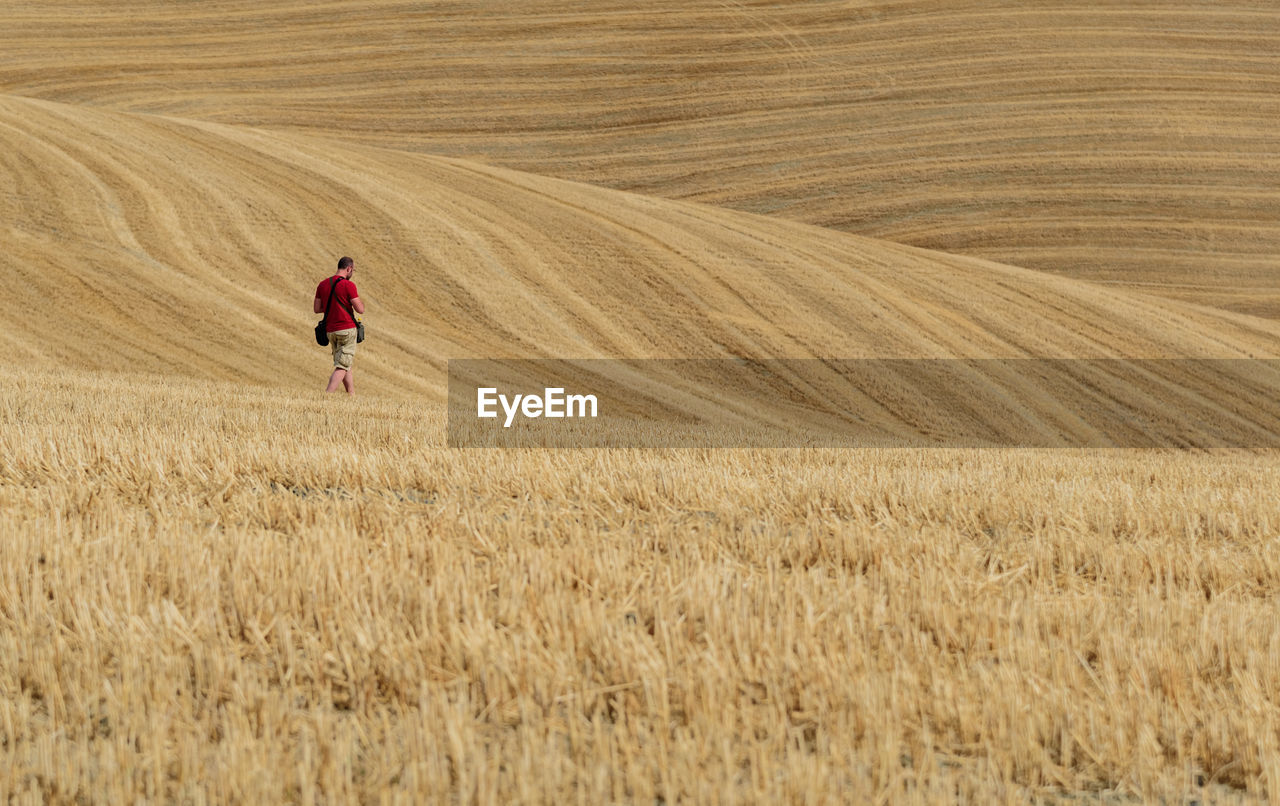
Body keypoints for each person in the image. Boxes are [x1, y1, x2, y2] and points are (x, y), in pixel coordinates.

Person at [314, 256, 365, 394]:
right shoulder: (349, 285)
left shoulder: (323, 284)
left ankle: (352, 396)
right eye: (353, 270)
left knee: (345, 363)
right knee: (342, 365)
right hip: (347, 329)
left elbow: (317, 309)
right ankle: (327, 395)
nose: (352, 273)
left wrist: (334, 306)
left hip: (330, 331)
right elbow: (360, 309)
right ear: (348, 269)